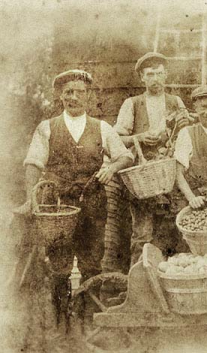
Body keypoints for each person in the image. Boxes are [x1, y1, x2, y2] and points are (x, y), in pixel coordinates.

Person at [19, 69, 133, 330]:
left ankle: (88, 320)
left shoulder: (102, 128)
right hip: (57, 206)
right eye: (68, 92)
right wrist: (32, 200)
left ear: (88, 96)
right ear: (61, 96)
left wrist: (111, 168)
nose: (74, 97)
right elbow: (33, 163)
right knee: (59, 266)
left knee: (92, 263)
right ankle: (62, 324)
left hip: (93, 204)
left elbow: (126, 156)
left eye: (79, 92)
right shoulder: (47, 127)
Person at [112, 52, 192, 265]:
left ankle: (173, 282)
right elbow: (116, 138)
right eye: (150, 74)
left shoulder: (176, 102)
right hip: (144, 180)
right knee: (142, 235)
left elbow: (189, 134)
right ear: (142, 78)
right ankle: (140, 284)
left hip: (172, 177)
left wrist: (184, 125)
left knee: (175, 232)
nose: (155, 78)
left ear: (166, 75)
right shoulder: (133, 104)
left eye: (159, 73)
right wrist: (140, 137)